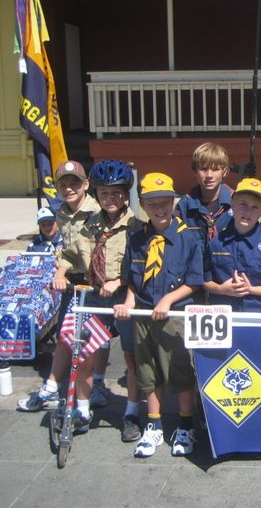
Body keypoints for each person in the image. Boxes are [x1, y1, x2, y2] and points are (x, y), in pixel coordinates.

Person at [114, 172, 203, 459]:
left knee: (178, 370)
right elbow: (131, 277)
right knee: (147, 371)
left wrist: (168, 298)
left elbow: (194, 280)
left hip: (174, 315)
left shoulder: (188, 237)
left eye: (165, 202)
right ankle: (154, 425)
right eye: (153, 203)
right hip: (142, 315)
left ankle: (186, 424)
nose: (160, 208)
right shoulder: (137, 238)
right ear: (142, 205)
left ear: (174, 203)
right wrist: (128, 301)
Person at [17, 161, 99, 413]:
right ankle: (52, 385)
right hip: (74, 283)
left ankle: (96, 388)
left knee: (98, 340)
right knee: (66, 334)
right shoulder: (61, 212)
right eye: (63, 184)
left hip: (98, 284)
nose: (69, 188)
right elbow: (65, 249)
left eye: (74, 183)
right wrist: (61, 271)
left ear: (85, 185)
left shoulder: (97, 211)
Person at [73, 159, 144, 439]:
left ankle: (131, 413)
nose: (110, 198)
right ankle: (81, 410)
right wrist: (62, 270)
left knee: (131, 356)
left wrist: (120, 281)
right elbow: (71, 253)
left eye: (116, 192)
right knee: (85, 354)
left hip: (124, 297)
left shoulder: (138, 227)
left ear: (126, 194)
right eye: (104, 193)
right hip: (93, 297)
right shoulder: (89, 226)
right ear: (95, 194)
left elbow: (142, 267)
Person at [204, 178, 261, 312]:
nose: (248, 212)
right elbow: (203, 281)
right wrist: (221, 289)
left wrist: (251, 290)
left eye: (255, 207)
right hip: (224, 318)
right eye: (243, 204)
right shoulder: (216, 242)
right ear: (232, 204)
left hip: (258, 319)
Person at [175, 142, 233, 248]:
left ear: (224, 171)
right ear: (195, 171)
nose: (209, 175)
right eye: (204, 169)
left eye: (215, 169)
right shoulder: (185, 206)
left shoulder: (235, 202)